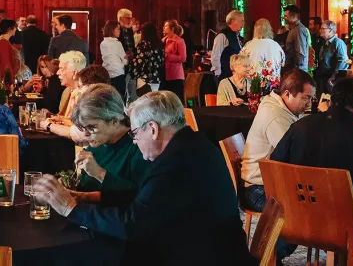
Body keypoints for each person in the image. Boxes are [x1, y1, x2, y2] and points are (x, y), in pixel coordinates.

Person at [30, 91, 256, 265]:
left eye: (135, 133)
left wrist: (71, 208)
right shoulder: (192, 146)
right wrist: (89, 198)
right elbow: (145, 200)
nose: (135, 141)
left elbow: (133, 225)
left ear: (153, 129)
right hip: (209, 248)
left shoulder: (175, 164)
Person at [271, 78, 353, 260]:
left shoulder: (300, 127)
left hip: (301, 219)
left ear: (331, 102)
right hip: (350, 229)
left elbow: (275, 166)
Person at [240, 69, 315, 211]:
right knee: (308, 209)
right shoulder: (276, 116)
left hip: (268, 184)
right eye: (306, 98)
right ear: (287, 94)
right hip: (257, 191)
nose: (310, 104)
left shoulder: (283, 109)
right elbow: (295, 157)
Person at [69, 84, 150, 195]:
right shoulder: (99, 143)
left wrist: (99, 173)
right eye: (83, 127)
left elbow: (138, 195)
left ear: (114, 121)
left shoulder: (138, 145)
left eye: (92, 127)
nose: (85, 134)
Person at [41, 65, 109, 141]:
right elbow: (78, 125)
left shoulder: (95, 107)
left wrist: (47, 125)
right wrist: (62, 120)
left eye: (80, 86)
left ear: (92, 86)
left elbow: (78, 133)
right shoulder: (105, 101)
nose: (79, 90)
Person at [240, 18, 285, 83]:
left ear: (255, 30)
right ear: (269, 30)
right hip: (272, 84)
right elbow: (283, 63)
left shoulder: (248, 45)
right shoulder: (276, 46)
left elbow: (240, 63)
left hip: (253, 84)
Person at [316, 20, 349, 94]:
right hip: (324, 78)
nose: (320, 30)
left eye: (322, 28)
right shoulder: (324, 43)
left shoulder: (338, 43)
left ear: (330, 30)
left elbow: (343, 61)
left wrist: (334, 76)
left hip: (332, 80)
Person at [211, 10, 245, 82]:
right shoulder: (222, 36)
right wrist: (218, 74)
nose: (243, 23)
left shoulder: (237, 37)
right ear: (233, 21)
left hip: (235, 76)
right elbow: (215, 56)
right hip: (224, 76)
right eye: (241, 21)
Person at [55, 51, 88, 119]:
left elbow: (78, 127)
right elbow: (63, 117)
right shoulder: (66, 91)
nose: (57, 73)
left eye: (61, 69)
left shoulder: (85, 96)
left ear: (74, 73)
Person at [100, 21, 128, 99]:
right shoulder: (117, 43)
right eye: (118, 29)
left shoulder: (103, 43)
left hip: (107, 72)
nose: (119, 31)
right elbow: (125, 60)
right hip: (118, 73)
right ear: (112, 30)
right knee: (120, 97)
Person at [134, 22, 164, 93]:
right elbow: (162, 61)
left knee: (144, 101)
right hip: (156, 77)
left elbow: (139, 62)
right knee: (154, 99)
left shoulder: (142, 45)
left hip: (144, 78)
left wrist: (135, 74)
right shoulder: (160, 45)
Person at [161, 20, 187, 101]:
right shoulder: (163, 40)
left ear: (172, 29)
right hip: (164, 73)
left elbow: (183, 58)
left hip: (175, 75)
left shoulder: (179, 41)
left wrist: (167, 56)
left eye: (166, 26)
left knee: (176, 99)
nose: (163, 28)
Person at [117, 9, 139, 102]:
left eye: (131, 18)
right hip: (121, 66)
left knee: (132, 93)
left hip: (131, 65)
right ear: (121, 18)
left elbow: (132, 46)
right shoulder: (116, 30)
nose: (130, 20)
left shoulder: (130, 30)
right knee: (122, 93)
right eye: (128, 18)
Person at [282, 5, 310, 73]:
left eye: (286, 16)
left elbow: (300, 54)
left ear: (293, 16)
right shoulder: (293, 29)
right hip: (293, 70)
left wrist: (297, 72)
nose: (284, 18)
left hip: (297, 71)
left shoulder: (298, 30)